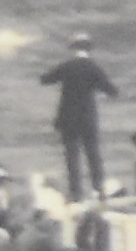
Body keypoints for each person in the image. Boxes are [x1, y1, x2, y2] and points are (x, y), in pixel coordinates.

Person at [41, 36, 119, 200]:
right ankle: (99, 190)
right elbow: (111, 90)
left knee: (72, 156)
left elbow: (46, 80)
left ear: (72, 48)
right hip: (88, 118)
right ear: (89, 49)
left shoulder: (66, 66)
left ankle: (76, 193)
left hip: (68, 118)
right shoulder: (93, 68)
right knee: (93, 154)